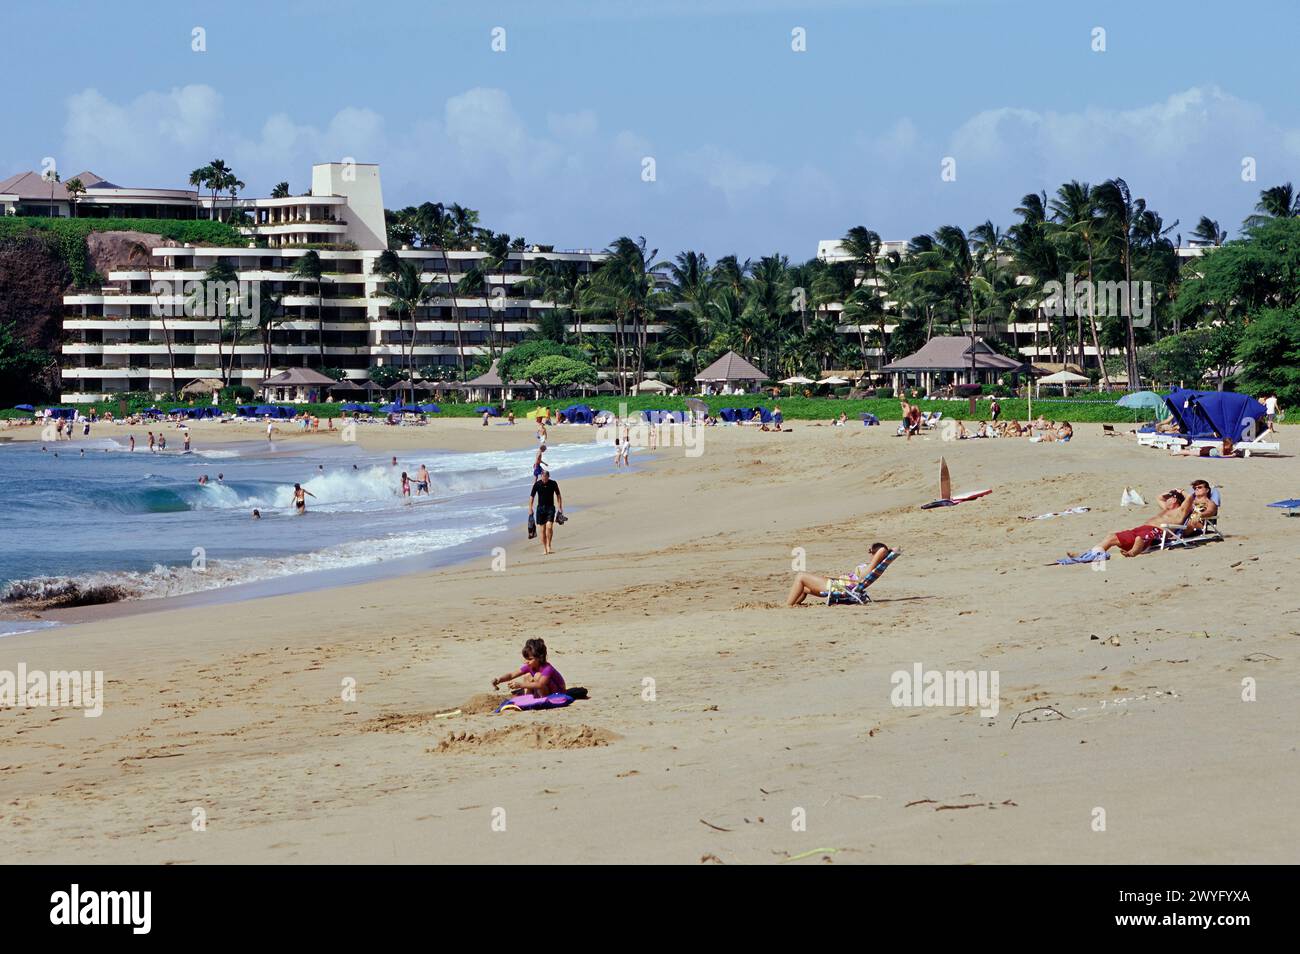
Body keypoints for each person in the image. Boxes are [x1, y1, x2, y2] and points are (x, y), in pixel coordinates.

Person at [1067, 490, 1190, 560]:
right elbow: (1158, 497)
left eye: (1169, 498)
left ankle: (1132, 552)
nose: (1166, 499)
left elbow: (1190, 498)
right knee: (1111, 537)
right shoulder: (1165, 509)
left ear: (1174, 500)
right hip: (1141, 529)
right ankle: (1088, 555)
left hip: (1157, 532)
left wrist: (1180, 491)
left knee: (1139, 538)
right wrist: (1170, 492)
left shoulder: (1179, 512)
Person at [786, 543, 892, 606]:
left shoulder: (870, 568)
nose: (870, 554)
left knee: (801, 576)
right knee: (803, 588)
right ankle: (795, 604)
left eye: (872, 552)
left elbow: (882, 550)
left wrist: (883, 551)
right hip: (838, 585)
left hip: (838, 587)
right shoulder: (871, 567)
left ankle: (788, 606)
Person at [491, 638, 566, 698]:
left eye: (530, 659)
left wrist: (520, 685)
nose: (526, 661)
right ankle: (527, 698)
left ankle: (542, 698)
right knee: (527, 676)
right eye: (526, 659)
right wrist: (499, 679)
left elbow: (540, 684)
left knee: (537, 676)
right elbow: (511, 675)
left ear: (540, 658)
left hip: (558, 693)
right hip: (545, 689)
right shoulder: (530, 666)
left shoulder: (547, 668)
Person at [528, 469, 563, 555]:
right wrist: (530, 508)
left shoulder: (553, 483)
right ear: (541, 476)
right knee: (542, 530)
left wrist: (560, 507)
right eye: (543, 478)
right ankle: (545, 548)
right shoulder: (537, 484)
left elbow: (558, 495)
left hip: (550, 508)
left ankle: (549, 545)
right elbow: (531, 497)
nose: (544, 479)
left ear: (548, 477)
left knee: (549, 527)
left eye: (546, 478)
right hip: (540, 509)